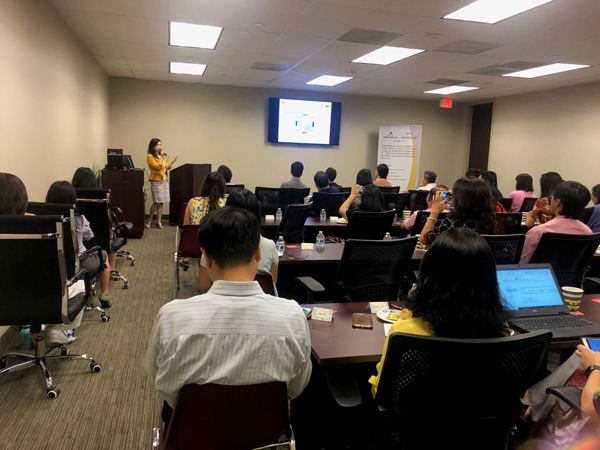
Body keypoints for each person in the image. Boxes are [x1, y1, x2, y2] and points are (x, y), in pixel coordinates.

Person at [144, 206, 312, 428]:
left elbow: (160, 382)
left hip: (193, 434)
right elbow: (296, 388)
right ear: (258, 253)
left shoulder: (171, 317)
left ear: (206, 258)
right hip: (264, 434)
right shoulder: (293, 317)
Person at [368, 228, 511, 396]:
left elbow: (381, 393)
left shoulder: (404, 333)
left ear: (428, 275)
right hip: (478, 412)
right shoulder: (502, 330)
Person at [0, 173, 86, 346]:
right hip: (41, 295)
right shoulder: (37, 226)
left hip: (5, 300)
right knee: (79, 283)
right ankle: (55, 328)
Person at [198, 189, 279, 294]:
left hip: (220, 301)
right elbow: (272, 285)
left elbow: (203, 286)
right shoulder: (270, 246)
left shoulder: (212, 245)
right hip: (262, 301)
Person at [46, 181, 111, 309]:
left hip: (55, 263)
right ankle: (105, 293)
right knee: (103, 254)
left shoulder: (46, 220)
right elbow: (90, 236)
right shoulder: (80, 219)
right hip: (79, 263)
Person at [520, 181, 592, 264]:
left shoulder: (538, 232)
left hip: (543, 272)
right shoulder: (588, 232)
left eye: (552, 196)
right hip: (573, 273)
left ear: (557, 201)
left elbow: (522, 263)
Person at [420, 177, 497, 246]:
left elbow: (424, 239)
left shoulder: (450, 224)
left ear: (460, 199)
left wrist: (434, 213)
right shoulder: (489, 223)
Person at [72, 166, 117, 274]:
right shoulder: (100, 196)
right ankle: (112, 267)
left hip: (80, 237)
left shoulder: (72, 196)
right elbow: (108, 219)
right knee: (113, 232)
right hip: (101, 233)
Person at [146, 138, 177, 229]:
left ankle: (158, 221)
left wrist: (172, 162)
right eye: (158, 145)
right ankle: (149, 220)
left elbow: (166, 167)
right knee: (157, 202)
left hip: (164, 181)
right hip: (156, 181)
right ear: (153, 147)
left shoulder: (161, 157)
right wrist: (162, 157)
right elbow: (157, 167)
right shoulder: (150, 157)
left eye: (160, 145)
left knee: (161, 202)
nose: (160, 147)